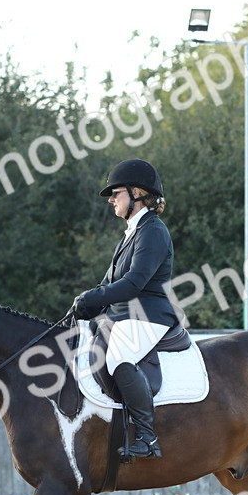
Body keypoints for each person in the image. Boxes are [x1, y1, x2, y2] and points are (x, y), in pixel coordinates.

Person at [70, 159, 178, 460]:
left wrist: (94, 297)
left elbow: (133, 283)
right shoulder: (131, 233)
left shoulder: (153, 231)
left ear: (137, 193)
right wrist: (85, 304)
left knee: (119, 356)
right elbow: (109, 282)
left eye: (116, 192)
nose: (111, 199)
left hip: (148, 315)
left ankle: (147, 436)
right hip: (122, 315)